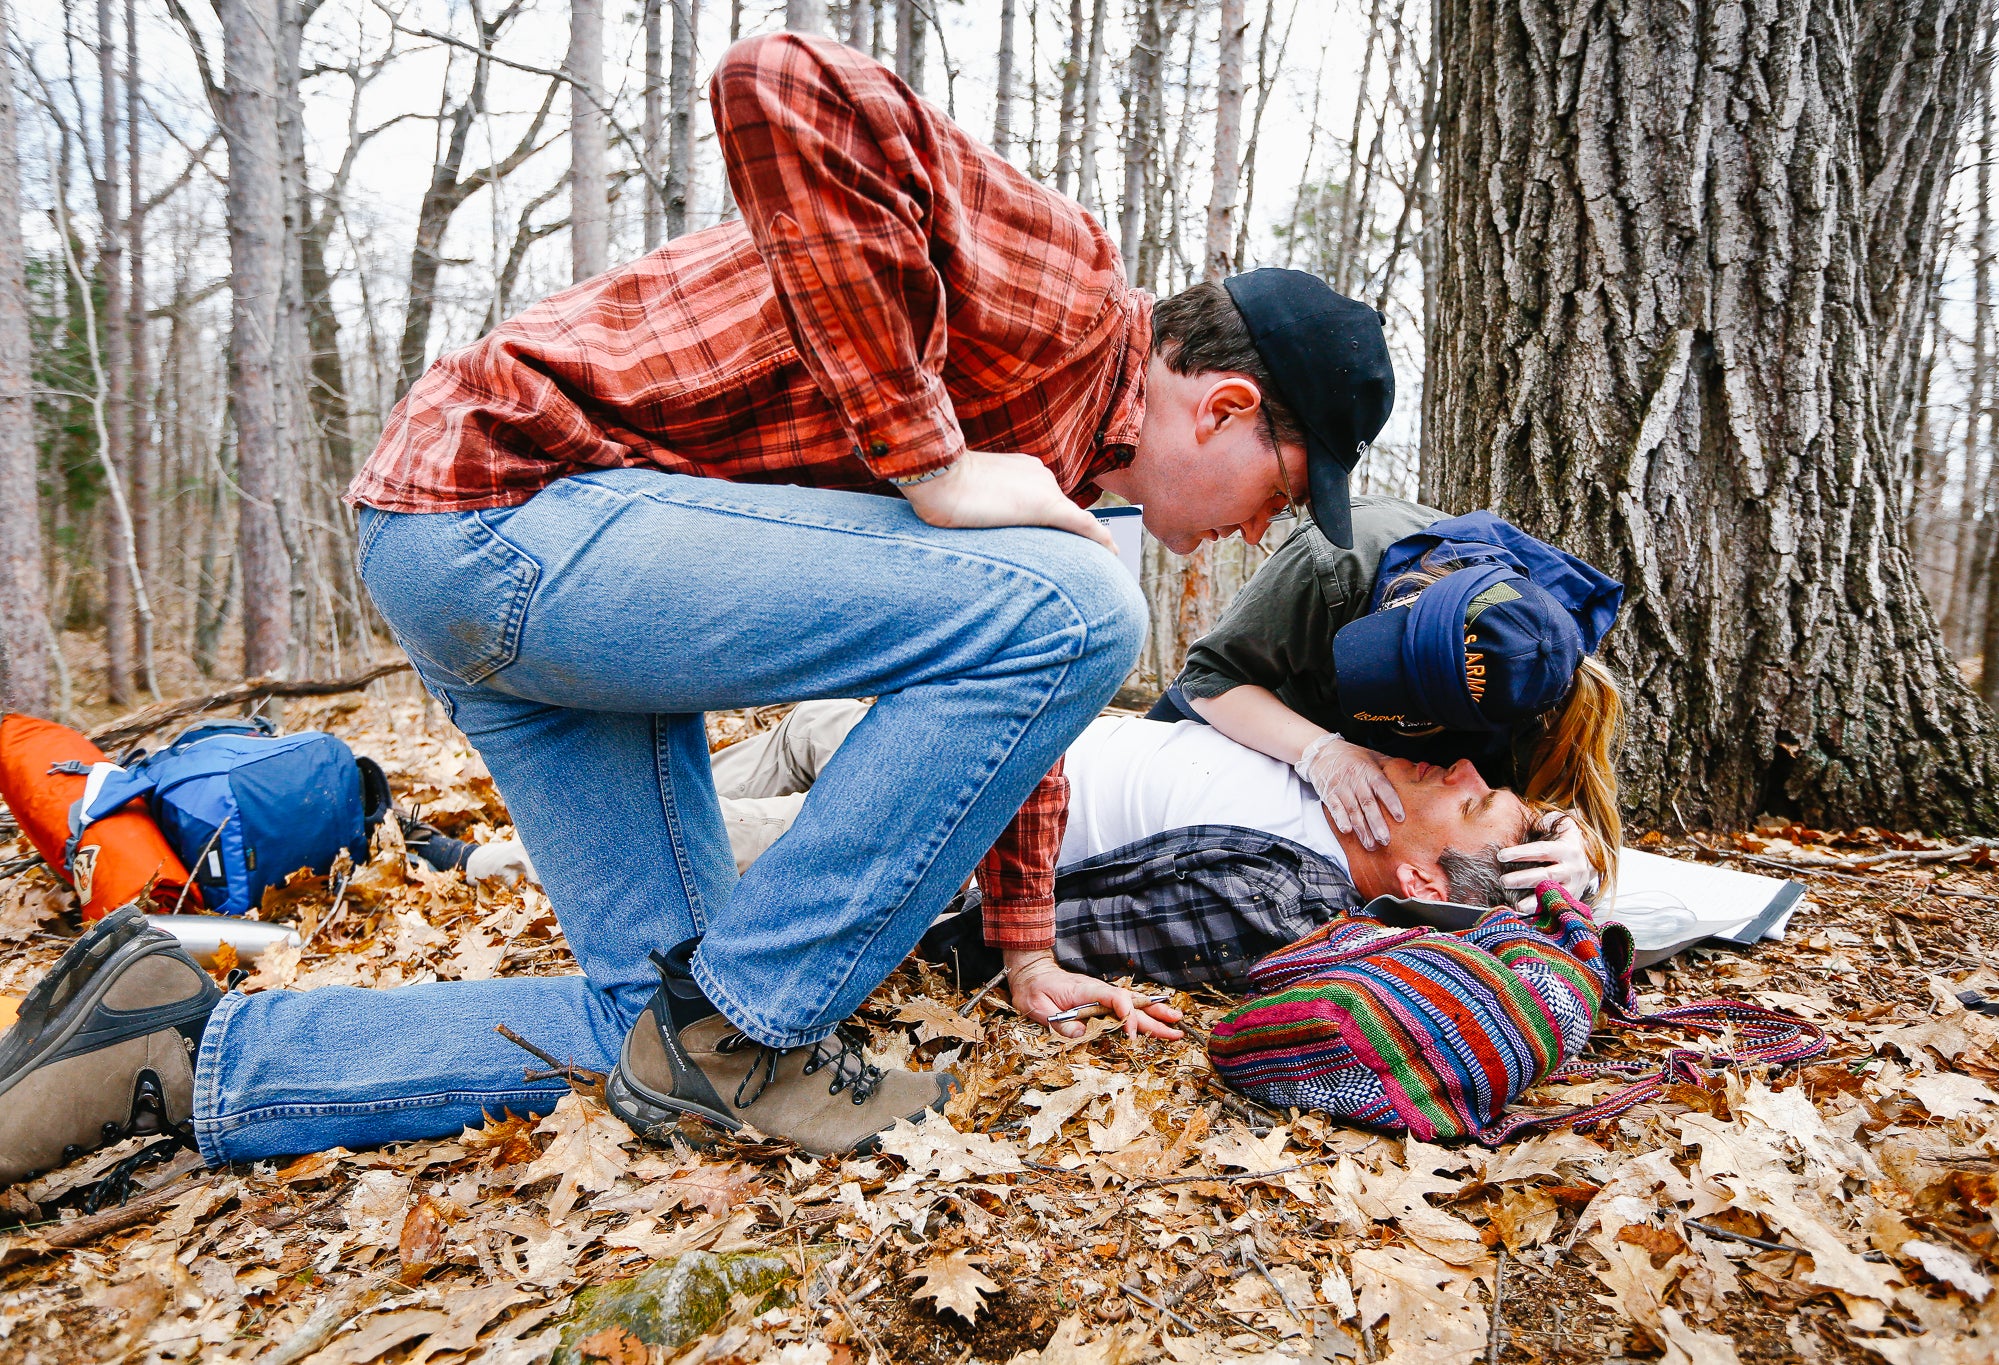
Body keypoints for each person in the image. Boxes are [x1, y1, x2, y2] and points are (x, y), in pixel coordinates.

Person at [0, 33, 1400, 1177]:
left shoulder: (1063, 493)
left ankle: (177, 1050)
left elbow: (1012, 723)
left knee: (654, 1025)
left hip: (539, 583)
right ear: (1223, 407)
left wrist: (1026, 946)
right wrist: (929, 462)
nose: (1261, 532)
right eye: (1281, 490)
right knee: (1080, 608)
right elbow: (784, 82)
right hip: (511, 513)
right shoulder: (1076, 291)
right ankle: (752, 1033)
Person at [1151, 497, 1627, 905]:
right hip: (1258, 717)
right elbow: (1208, 679)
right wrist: (1320, 751)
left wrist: (1576, 846)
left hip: (1388, 831)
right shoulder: (1338, 556)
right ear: (1422, 590)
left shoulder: (1531, 691)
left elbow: (1540, 812)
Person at [702, 700, 1537, 904]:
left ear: (1425, 883)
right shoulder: (1346, 764)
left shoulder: (1292, 887)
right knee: (810, 725)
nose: (1464, 767)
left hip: (954, 820)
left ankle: (597, 843)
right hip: (992, 731)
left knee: (703, 836)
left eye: (1474, 801)